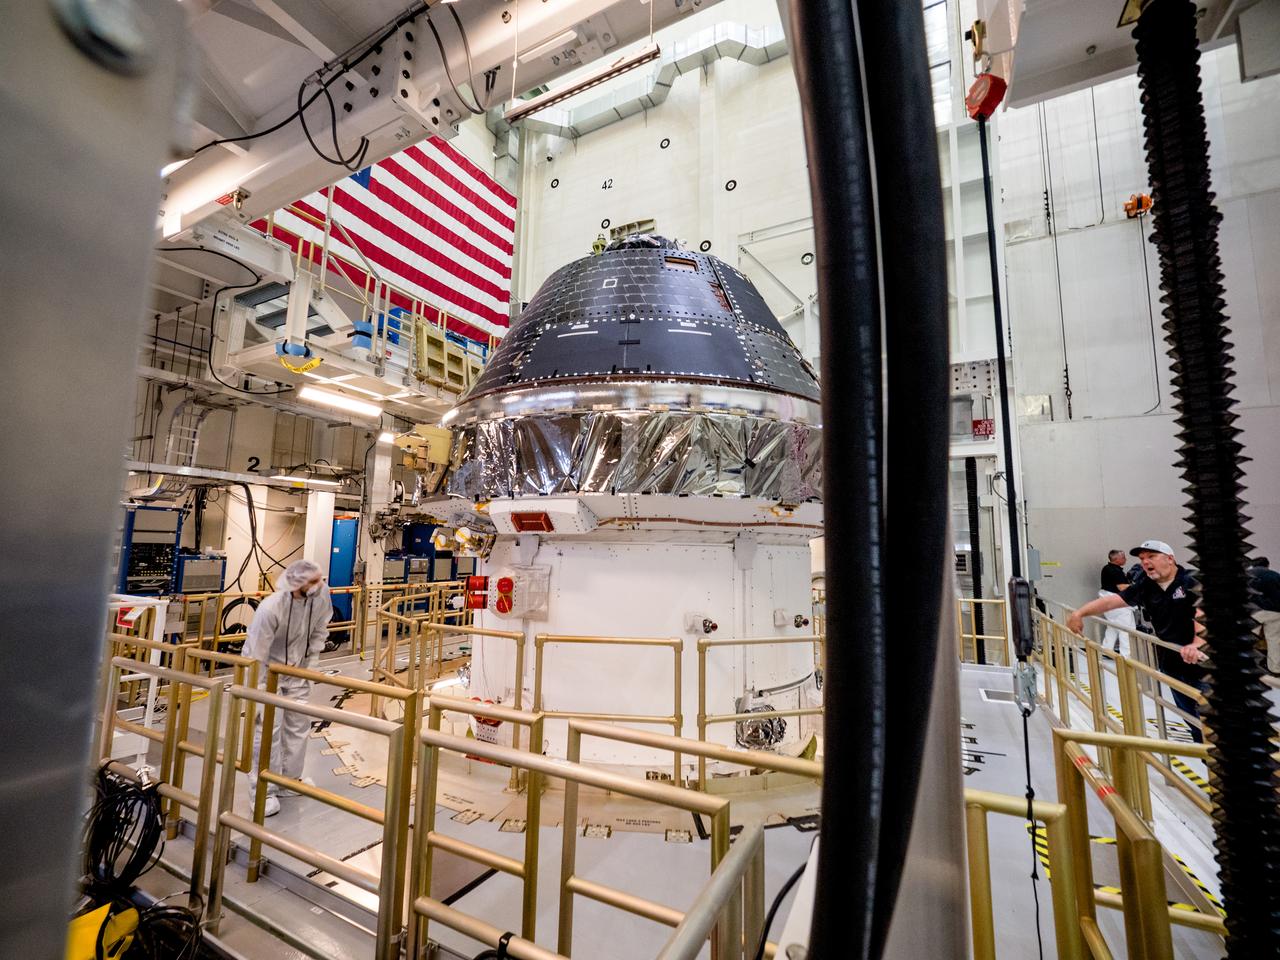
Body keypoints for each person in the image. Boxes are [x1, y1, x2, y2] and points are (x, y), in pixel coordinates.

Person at [1068, 540, 1207, 742]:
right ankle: (1209, 764)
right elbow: (1110, 601)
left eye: (1151, 556)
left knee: (1214, 721)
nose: (1145, 562)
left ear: (1170, 559)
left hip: (1204, 661)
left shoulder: (1192, 581)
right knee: (1193, 720)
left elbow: (1203, 613)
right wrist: (1079, 613)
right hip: (1174, 662)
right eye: (1142, 559)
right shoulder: (1146, 586)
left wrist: (1197, 643)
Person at [242, 559, 333, 816]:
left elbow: (319, 629)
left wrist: (311, 665)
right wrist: (257, 691)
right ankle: (262, 790)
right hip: (268, 675)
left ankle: (290, 781)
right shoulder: (271, 609)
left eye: (319, 580)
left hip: (298, 672)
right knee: (269, 730)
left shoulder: (320, 596)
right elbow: (255, 653)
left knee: (298, 726)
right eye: (313, 582)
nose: (319, 585)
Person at [1098, 549, 1137, 654]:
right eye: (1123, 557)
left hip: (1108, 603)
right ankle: (1126, 656)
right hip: (1117, 604)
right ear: (1116, 559)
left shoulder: (1107, 568)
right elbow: (1121, 587)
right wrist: (1138, 586)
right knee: (1126, 629)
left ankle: (1106, 650)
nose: (1125, 559)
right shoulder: (1115, 571)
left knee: (1113, 627)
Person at [1249, 557, 1280, 674]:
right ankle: (1275, 669)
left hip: (1255, 611)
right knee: (1274, 640)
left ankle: (1249, 665)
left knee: (1249, 639)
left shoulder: (1248, 575)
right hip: (1276, 612)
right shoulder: (1275, 575)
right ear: (1267, 564)